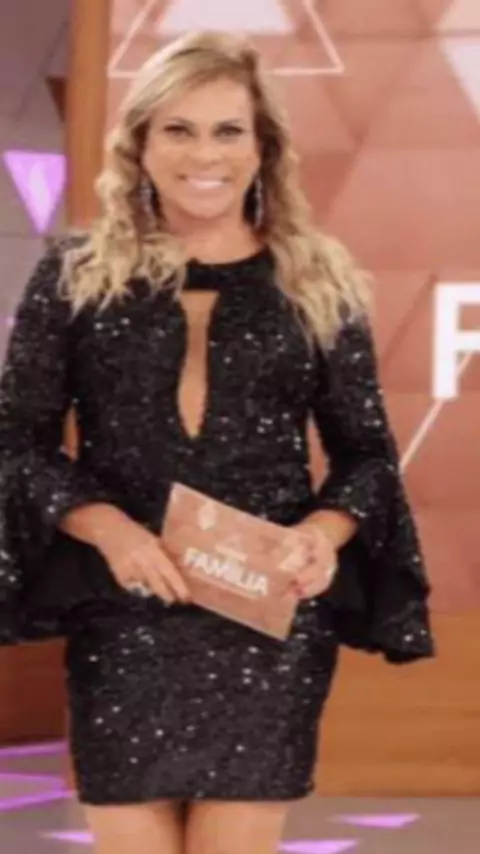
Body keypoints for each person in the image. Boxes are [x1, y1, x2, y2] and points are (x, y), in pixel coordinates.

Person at [0, 30, 434, 854]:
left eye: (228, 130)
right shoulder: (76, 274)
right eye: (179, 129)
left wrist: (322, 534)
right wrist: (111, 531)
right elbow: (18, 444)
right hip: (125, 611)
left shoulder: (317, 279)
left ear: (262, 147)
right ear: (139, 145)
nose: (205, 154)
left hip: (265, 621)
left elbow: (367, 458)